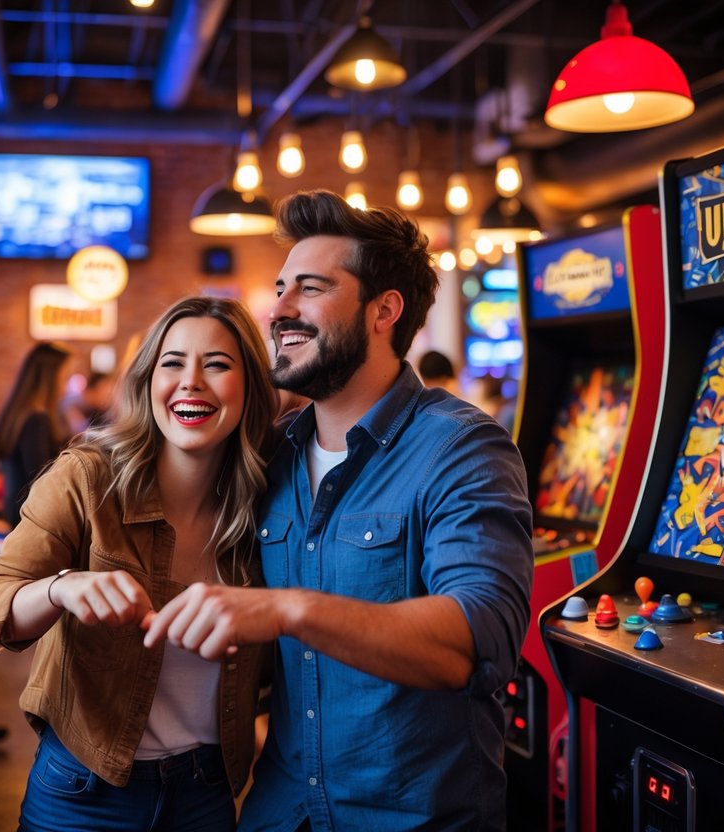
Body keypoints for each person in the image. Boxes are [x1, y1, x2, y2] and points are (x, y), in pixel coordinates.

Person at [144, 190, 534, 831]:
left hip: (412, 819)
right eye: (280, 288)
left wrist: (289, 609)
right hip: (279, 812)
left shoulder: (460, 447)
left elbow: (478, 638)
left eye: (310, 288)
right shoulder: (271, 454)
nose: (280, 309)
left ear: (384, 311)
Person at [0, 296, 278, 832]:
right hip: (84, 790)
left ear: (250, 387)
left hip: (208, 794)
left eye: (218, 365)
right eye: (172, 363)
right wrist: (62, 588)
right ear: (147, 380)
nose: (191, 382)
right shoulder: (86, 478)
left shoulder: (270, 506)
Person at [0, 341, 73, 525]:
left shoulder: (22, 412)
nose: (66, 388)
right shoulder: (37, 419)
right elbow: (41, 480)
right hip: (30, 522)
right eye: (64, 378)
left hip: (16, 515)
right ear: (49, 378)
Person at [60, 370, 116, 437]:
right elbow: (80, 436)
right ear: (97, 387)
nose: (111, 398)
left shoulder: (97, 411)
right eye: (108, 393)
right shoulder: (73, 406)